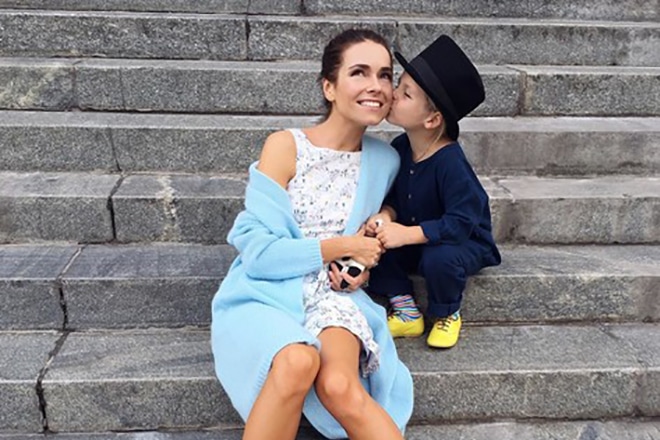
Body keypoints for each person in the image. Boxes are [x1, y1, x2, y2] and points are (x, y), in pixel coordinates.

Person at [211, 29, 413, 440]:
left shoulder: (385, 160)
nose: (376, 85)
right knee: (297, 362)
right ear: (329, 87)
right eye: (359, 72)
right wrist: (344, 246)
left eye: (384, 75)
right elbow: (259, 254)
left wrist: (364, 257)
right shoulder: (286, 146)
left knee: (339, 385)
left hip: (333, 295)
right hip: (266, 290)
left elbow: (378, 226)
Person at [366, 35, 502, 349]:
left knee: (440, 259)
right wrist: (386, 216)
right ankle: (406, 310)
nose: (393, 94)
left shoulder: (450, 162)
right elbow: (397, 198)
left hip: (461, 241)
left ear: (432, 119)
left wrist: (408, 234)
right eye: (398, 85)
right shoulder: (402, 147)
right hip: (419, 237)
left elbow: (461, 223)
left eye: (406, 94)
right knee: (376, 242)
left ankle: (447, 312)